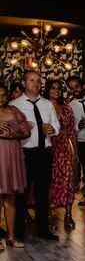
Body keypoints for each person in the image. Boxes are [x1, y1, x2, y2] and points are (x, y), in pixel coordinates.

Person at [10, 70, 60, 241]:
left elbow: (56, 125)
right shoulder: (14, 105)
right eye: (32, 80)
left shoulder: (47, 104)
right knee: (21, 194)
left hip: (44, 153)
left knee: (42, 193)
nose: (36, 84)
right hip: (25, 154)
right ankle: (18, 232)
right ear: (24, 83)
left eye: (38, 81)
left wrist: (53, 129)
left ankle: (42, 230)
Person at [44, 79, 78, 230]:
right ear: (47, 90)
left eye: (59, 88)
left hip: (64, 149)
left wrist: (75, 152)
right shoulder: (42, 107)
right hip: (48, 147)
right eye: (53, 88)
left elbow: (72, 132)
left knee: (67, 180)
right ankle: (48, 215)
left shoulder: (67, 108)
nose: (56, 90)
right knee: (49, 181)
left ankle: (68, 214)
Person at [0, 83, 30, 249]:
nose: (1, 98)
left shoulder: (14, 111)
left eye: (4, 94)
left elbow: (27, 132)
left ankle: (11, 237)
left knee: (10, 198)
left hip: (11, 158)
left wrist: (14, 134)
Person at [68, 75, 85, 209]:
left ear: (83, 85)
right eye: (71, 88)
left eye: (77, 86)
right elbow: (71, 129)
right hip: (83, 143)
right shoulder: (70, 106)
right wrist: (79, 125)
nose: (75, 90)